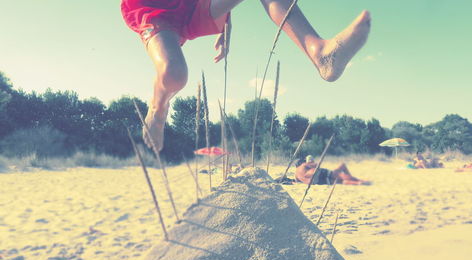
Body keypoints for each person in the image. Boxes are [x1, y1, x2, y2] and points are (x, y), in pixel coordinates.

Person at [120, 0, 372, 151]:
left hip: (194, 6)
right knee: (174, 73)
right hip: (153, 9)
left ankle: (321, 53)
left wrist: (226, 23)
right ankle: (158, 108)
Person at [295, 155, 371, 185]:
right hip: (321, 173)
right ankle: (358, 180)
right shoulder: (303, 165)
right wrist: (312, 163)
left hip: (317, 182)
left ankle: (357, 183)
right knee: (340, 174)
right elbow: (316, 165)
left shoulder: (296, 174)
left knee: (339, 181)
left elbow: (297, 182)